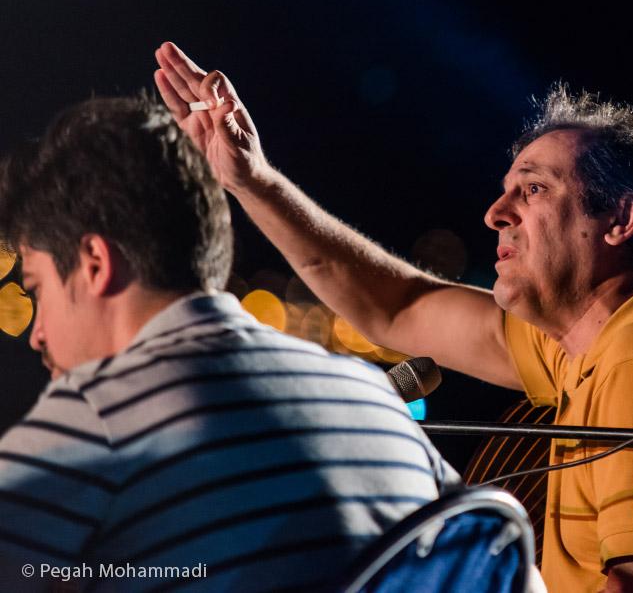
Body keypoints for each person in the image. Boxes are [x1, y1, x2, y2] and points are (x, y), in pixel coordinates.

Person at [154, 42, 633, 592]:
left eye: (534, 189)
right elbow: (399, 306)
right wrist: (253, 179)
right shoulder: (597, 341)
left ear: (621, 218)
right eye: (505, 192)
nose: (496, 213)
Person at [0, 95, 459, 591]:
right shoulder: (374, 396)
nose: (37, 333)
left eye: (37, 289)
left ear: (95, 263)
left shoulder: (92, 419)